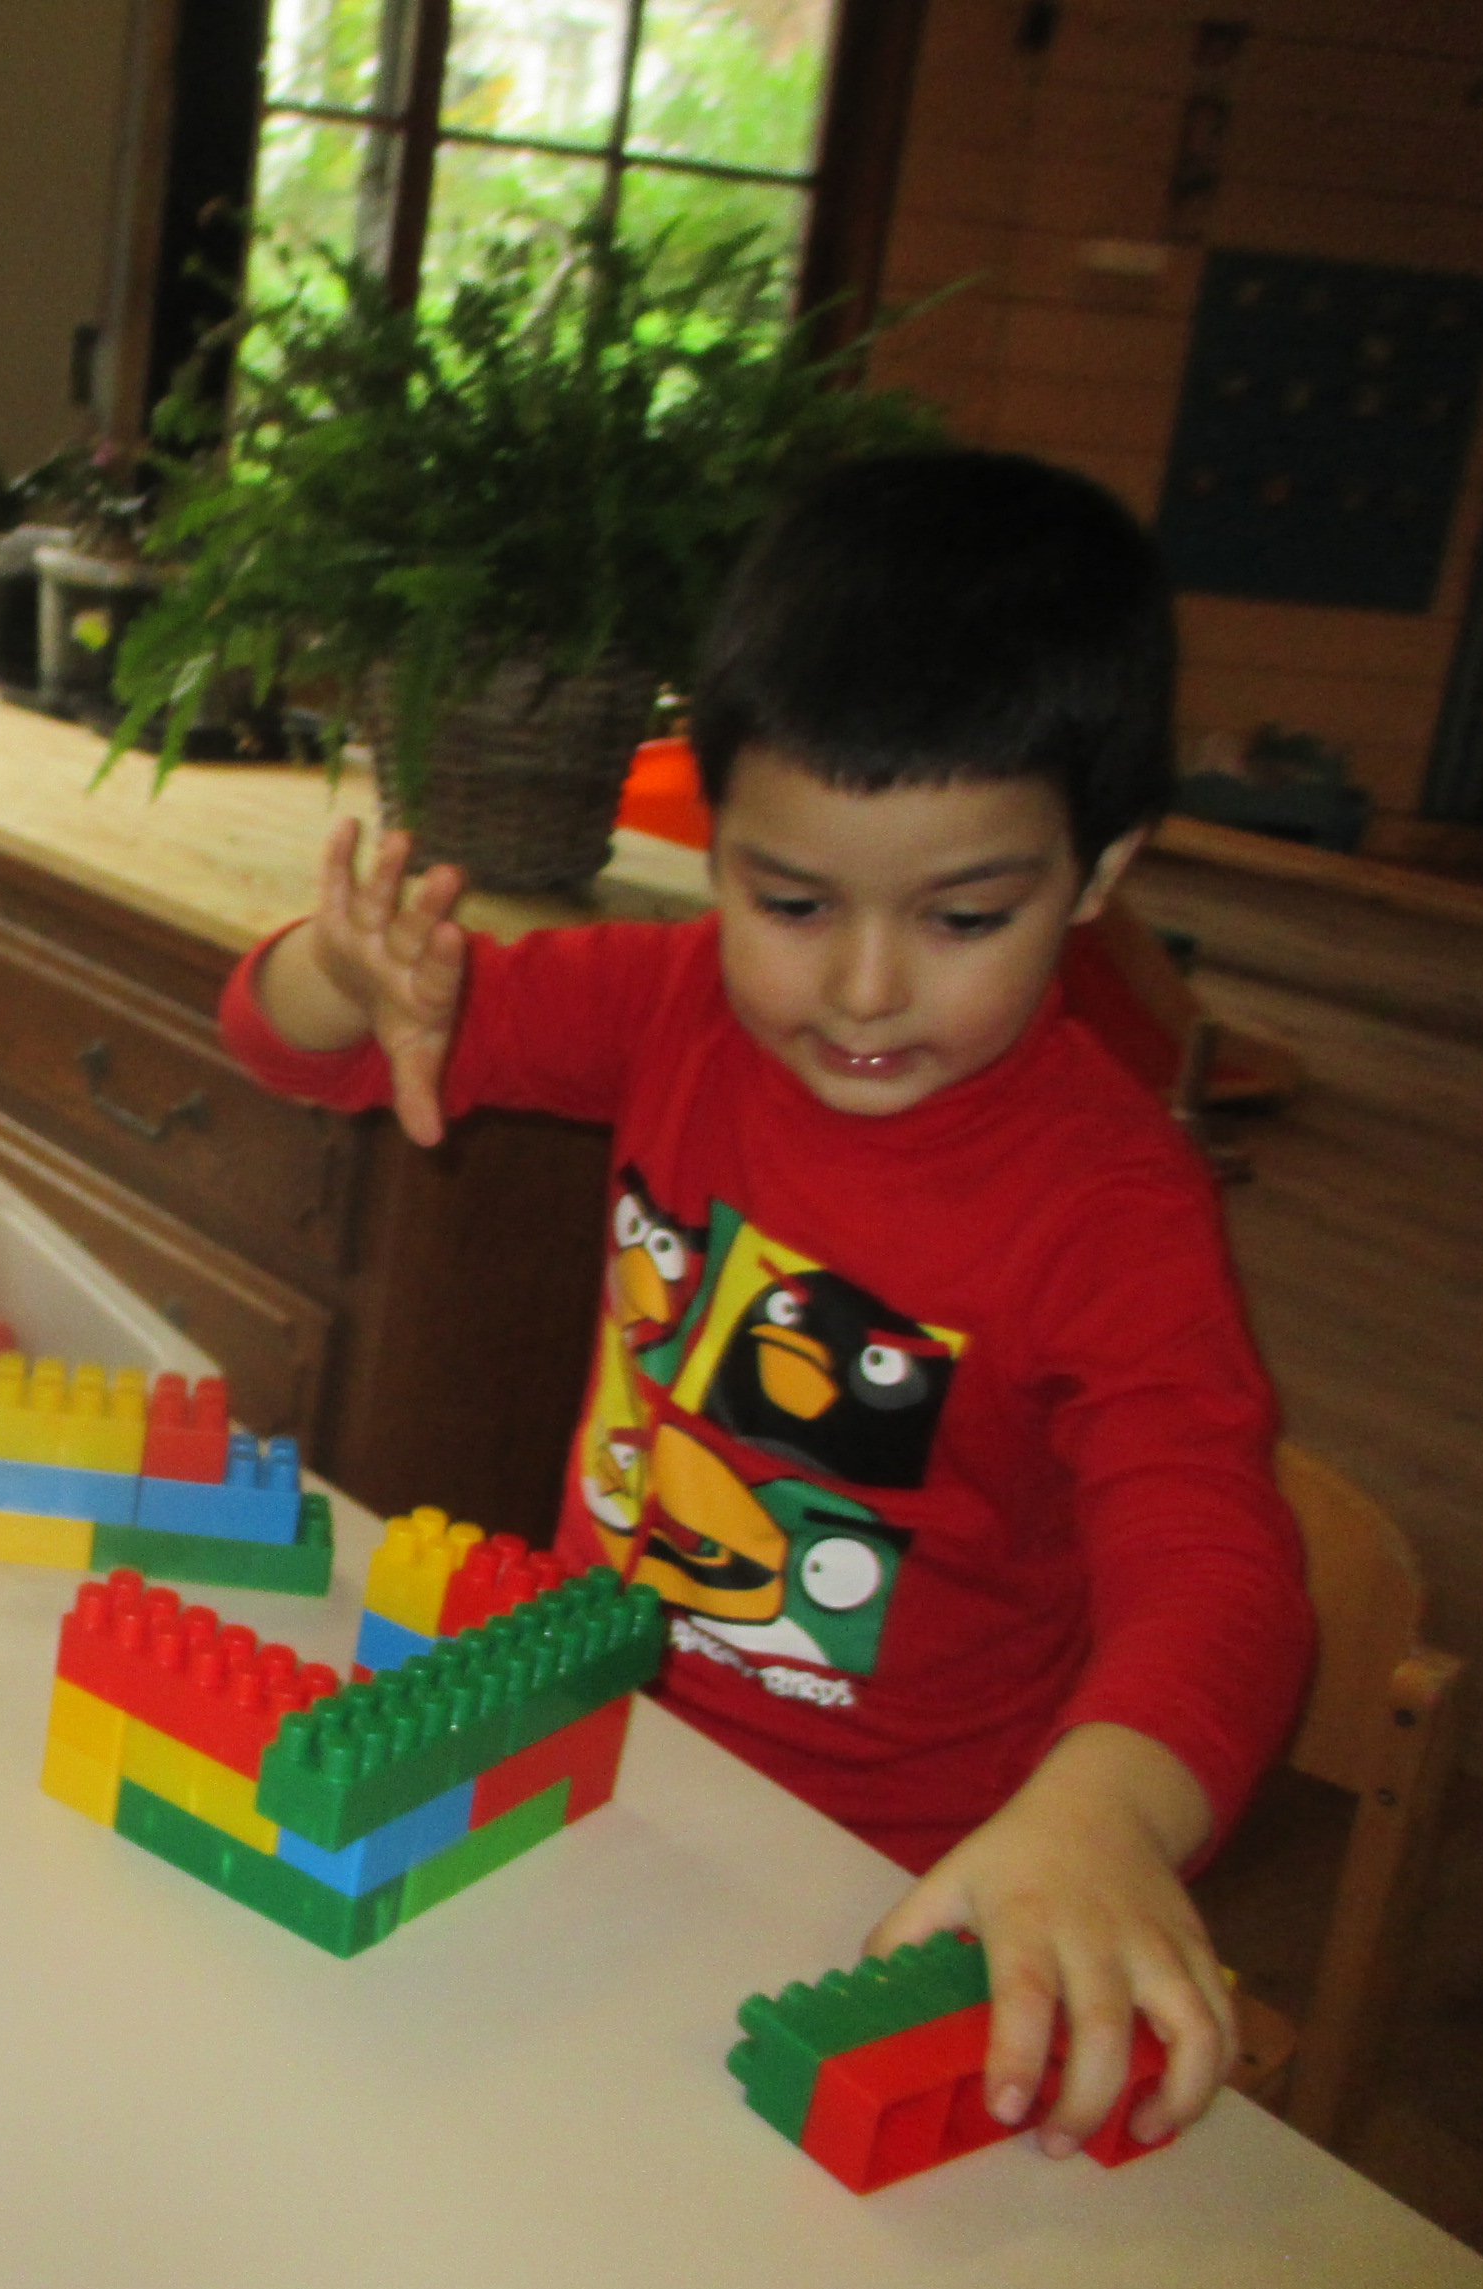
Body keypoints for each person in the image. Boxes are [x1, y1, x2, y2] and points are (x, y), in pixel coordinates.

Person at [220, 451, 1312, 2156]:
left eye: (964, 915)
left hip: (883, 1893)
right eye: (789, 903)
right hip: (579, 1767)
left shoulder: (1114, 1213)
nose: (862, 987)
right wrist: (347, 973)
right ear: (709, 839)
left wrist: (1102, 1818)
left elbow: (1220, 1562)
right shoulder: (678, 1008)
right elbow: (301, 1041)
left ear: (1096, 875)